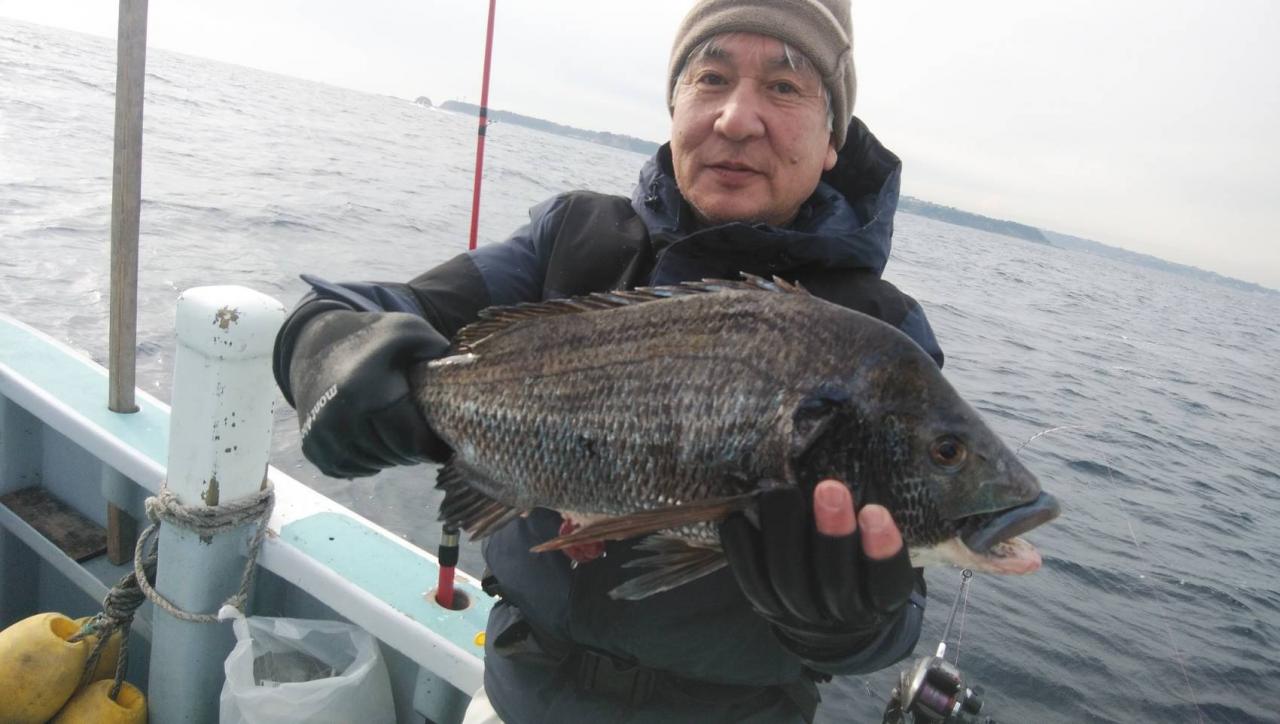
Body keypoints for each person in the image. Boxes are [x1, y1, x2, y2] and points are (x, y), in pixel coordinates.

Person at [273, 1, 945, 721]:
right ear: (675, 105)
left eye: (784, 87)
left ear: (833, 137)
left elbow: (899, 618)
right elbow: (367, 308)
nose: (736, 119)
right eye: (711, 77)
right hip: (516, 697)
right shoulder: (575, 237)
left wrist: (846, 621)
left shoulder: (881, 335)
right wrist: (325, 348)